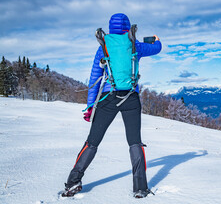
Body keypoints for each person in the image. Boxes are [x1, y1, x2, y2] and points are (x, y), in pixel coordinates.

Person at [61, 13, 162, 198]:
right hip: (131, 98)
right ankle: (140, 188)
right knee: (135, 142)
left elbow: (94, 78)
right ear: (127, 27)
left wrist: (90, 106)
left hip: (108, 98)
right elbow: (157, 48)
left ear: (110, 27)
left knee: (92, 142)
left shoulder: (103, 47)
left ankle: (73, 182)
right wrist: (156, 40)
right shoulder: (135, 45)